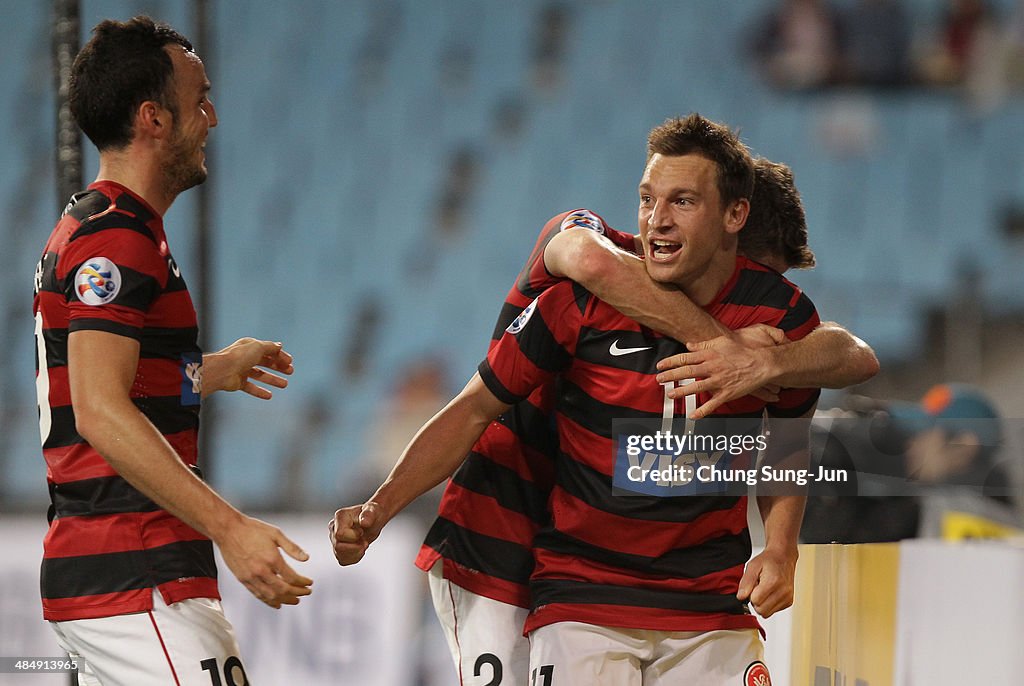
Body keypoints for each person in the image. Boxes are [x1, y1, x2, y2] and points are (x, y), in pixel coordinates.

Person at [333, 114, 830, 684]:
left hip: (700, 599)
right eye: (648, 200)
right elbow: (472, 407)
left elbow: (821, 394)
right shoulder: (585, 278)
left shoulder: (777, 321)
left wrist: (783, 543)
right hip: (513, 538)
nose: (657, 219)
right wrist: (378, 509)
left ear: (733, 219)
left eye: (681, 202)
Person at [33, 17, 312, 685]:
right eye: (201, 99)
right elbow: (100, 411)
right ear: (154, 119)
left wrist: (213, 371)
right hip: (137, 566)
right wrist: (231, 527)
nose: (212, 117)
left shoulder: (102, 226)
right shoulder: (117, 241)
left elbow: (110, 387)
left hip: (122, 573)